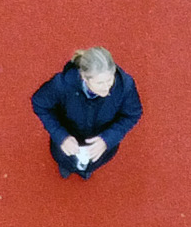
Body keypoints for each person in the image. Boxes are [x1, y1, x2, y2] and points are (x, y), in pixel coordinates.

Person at [29, 46, 142, 178]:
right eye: (100, 83)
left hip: (101, 147)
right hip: (67, 139)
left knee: (93, 164)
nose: (107, 88)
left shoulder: (125, 86)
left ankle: (87, 169)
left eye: (109, 80)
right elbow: (40, 104)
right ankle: (66, 166)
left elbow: (132, 114)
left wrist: (108, 139)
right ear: (84, 77)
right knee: (64, 160)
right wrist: (61, 136)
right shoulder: (62, 85)